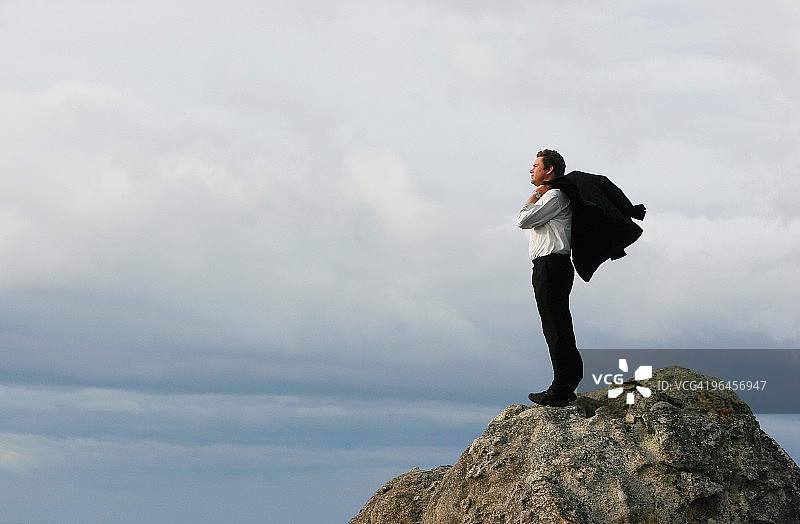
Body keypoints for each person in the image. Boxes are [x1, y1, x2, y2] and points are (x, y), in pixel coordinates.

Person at [517, 149, 582, 407]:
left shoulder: (554, 196)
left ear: (549, 170)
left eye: (536, 165)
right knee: (556, 323)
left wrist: (534, 195)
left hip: (552, 264)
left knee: (556, 325)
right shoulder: (553, 196)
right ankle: (566, 381)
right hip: (549, 265)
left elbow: (524, 220)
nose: (531, 170)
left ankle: (562, 386)